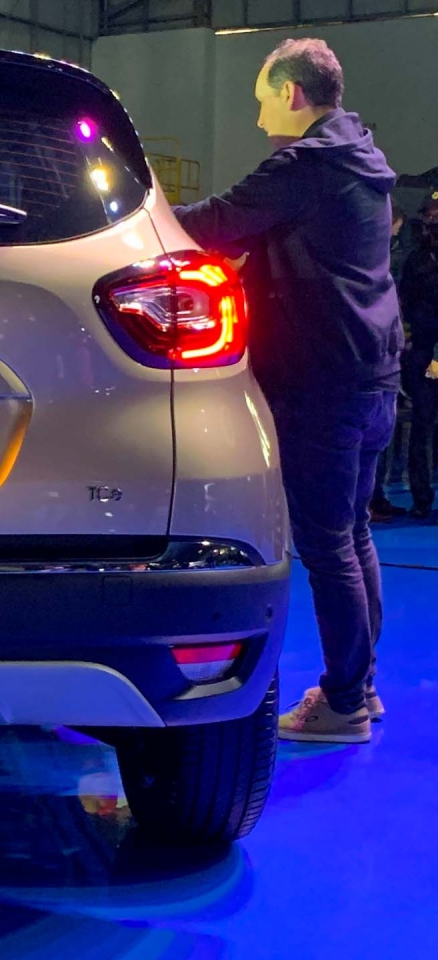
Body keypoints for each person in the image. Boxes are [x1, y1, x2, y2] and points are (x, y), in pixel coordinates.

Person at [173, 38, 402, 743]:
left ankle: (343, 703)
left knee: (327, 545)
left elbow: (213, 222)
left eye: (262, 100)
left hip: (321, 382)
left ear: (292, 94)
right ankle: (359, 685)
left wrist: (136, 224)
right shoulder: (359, 158)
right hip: (373, 375)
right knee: (352, 533)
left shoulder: (305, 166)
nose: (258, 117)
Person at [368, 200, 411, 522]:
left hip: (384, 367)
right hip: (378, 368)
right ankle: (369, 501)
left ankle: (374, 499)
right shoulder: (376, 265)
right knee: (370, 444)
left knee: (376, 444)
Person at [399, 193, 438, 521]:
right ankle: (422, 499)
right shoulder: (417, 260)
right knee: (422, 428)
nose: (431, 221)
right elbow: (407, 303)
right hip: (424, 355)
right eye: (429, 215)